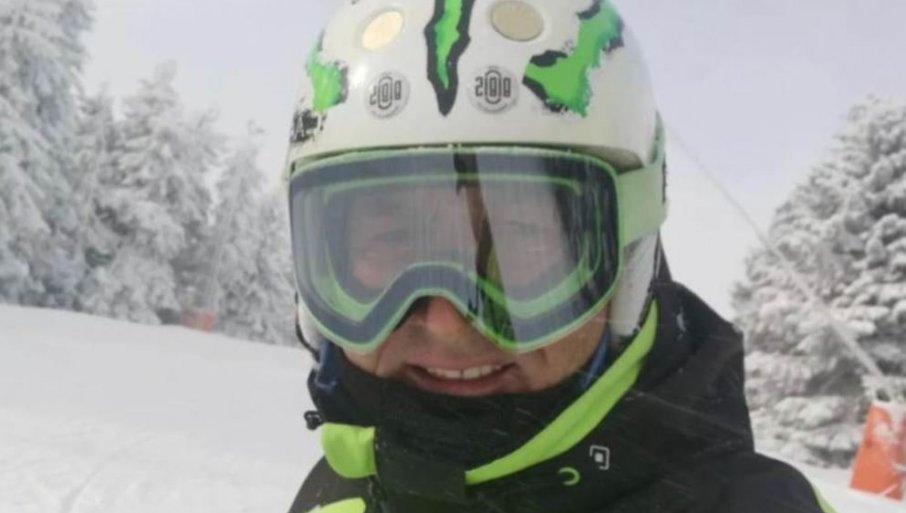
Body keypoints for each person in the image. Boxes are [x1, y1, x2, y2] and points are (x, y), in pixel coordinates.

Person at [283, 1, 838, 512]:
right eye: (390, 239)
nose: (448, 322)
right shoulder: (338, 492)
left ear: (626, 269)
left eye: (519, 238)